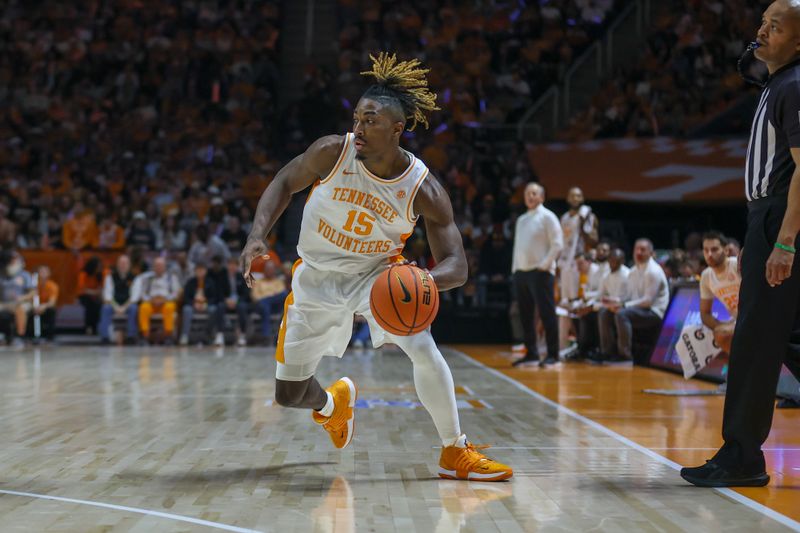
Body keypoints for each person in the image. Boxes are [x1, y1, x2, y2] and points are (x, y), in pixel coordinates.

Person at [239, 52, 512, 481]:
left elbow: (457, 266)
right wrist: (257, 234)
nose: (358, 128)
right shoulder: (332, 152)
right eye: (357, 119)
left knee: (423, 347)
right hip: (316, 278)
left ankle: (454, 450)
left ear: (398, 129)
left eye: (370, 121)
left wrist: (420, 280)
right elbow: (283, 183)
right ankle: (332, 406)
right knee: (289, 394)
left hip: (379, 277)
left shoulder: (423, 188)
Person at [682, 0, 800, 487]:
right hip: (772, 217)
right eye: (763, 22)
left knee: (754, 339)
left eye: (777, 25)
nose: (762, 30)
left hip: (778, 219)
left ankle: (742, 457)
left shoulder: (793, 86)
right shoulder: (779, 84)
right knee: (789, 335)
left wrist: (786, 241)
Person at [510, 182, 563, 367]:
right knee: (525, 315)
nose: (530, 196)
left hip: (541, 272)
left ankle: (553, 355)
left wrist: (545, 265)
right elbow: (518, 247)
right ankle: (531, 353)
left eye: (534, 193)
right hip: (521, 272)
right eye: (527, 193)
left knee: (547, 313)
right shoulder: (522, 219)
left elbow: (557, 244)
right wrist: (515, 269)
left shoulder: (548, 217)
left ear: (541, 196)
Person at [598, 239, 668, 362]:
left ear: (651, 253)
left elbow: (648, 301)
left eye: (643, 250)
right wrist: (613, 302)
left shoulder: (653, 271)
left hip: (655, 312)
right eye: (637, 249)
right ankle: (607, 352)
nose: (639, 252)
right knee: (605, 312)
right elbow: (630, 297)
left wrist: (623, 305)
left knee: (621, 314)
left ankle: (625, 356)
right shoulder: (634, 271)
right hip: (638, 309)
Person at [558, 187, 599, 317]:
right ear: (567, 198)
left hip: (580, 262)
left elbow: (594, 240)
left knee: (579, 303)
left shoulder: (588, 216)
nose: (575, 198)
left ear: (582, 199)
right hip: (565, 263)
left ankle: (581, 336)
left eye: (578, 196)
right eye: (572, 196)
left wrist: (582, 225)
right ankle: (566, 336)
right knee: (565, 304)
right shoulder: (564, 218)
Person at [699, 232, 739, 353]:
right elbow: (705, 314)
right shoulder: (706, 276)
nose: (709, 254)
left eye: (714, 249)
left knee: (723, 335)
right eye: (706, 250)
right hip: (738, 321)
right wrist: (720, 326)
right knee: (720, 334)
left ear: (726, 250)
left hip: (756, 315)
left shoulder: (737, 264)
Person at [131, 256, 181, 344]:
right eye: (157, 266)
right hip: (151, 302)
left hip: (165, 302)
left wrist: (164, 299)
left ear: (165, 267)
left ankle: (168, 336)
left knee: (169, 307)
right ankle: (145, 336)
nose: (159, 268)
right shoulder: (147, 278)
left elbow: (176, 293)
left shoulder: (171, 278)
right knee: (143, 307)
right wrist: (151, 300)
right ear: (153, 267)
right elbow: (143, 293)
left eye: (161, 265)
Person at [239, 260, 287, 344]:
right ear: (264, 271)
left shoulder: (278, 282)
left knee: (284, 294)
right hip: (260, 307)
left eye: (271, 269)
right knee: (265, 306)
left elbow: (281, 294)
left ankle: (266, 335)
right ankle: (266, 336)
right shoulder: (258, 282)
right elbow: (255, 296)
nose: (269, 271)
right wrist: (271, 296)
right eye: (267, 269)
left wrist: (267, 298)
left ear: (274, 270)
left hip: (275, 306)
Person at [180, 262, 225, 346]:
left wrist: (206, 303)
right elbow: (186, 298)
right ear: (195, 271)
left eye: (202, 270)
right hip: (193, 305)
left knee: (213, 309)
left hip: (206, 305)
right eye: (198, 270)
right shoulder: (190, 282)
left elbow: (214, 297)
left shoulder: (210, 282)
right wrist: (193, 303)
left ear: (205, 271)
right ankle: (185, 335)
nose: (200, 272)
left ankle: (209, 333)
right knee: (186, 309)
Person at [98, 254, 138, 344]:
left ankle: (131, 336)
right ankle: (105, 337)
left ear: (129, 265)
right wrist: (116, 307)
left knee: (134, 308)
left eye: (125, 263)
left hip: (128, 304)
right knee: (105, 308)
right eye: (121, 263)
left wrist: (124, 307)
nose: (123, 265)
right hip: (114, 304)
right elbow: (107, 295)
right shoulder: (110, 277)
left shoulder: (135, 278)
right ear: (117, 265)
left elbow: (134, 297)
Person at [20, 265, 59, 341]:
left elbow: (52, 302)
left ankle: (50, 336)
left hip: (44, 307)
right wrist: (32, 306)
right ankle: (25, 335)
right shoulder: (32, 284)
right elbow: (27, 298)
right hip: (32, 306)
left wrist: (43, 306)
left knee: (51, 311)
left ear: (49, 273)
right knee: (24, 310)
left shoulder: (52, 286)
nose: (42, 274)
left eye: (45, 272)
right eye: (41, 272)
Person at [77, 256, 104, 335]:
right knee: (90, 303)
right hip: (84, 296)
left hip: (96, 296)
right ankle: (88, 326)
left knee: (98, 304)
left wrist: (97, 293)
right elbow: (82, 290)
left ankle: (95, 327)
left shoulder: (100, 275)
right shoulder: (83, 274)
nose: (99, 269)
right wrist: (95, 292)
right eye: (98, 267)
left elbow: (101, 288)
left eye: (100, 267)